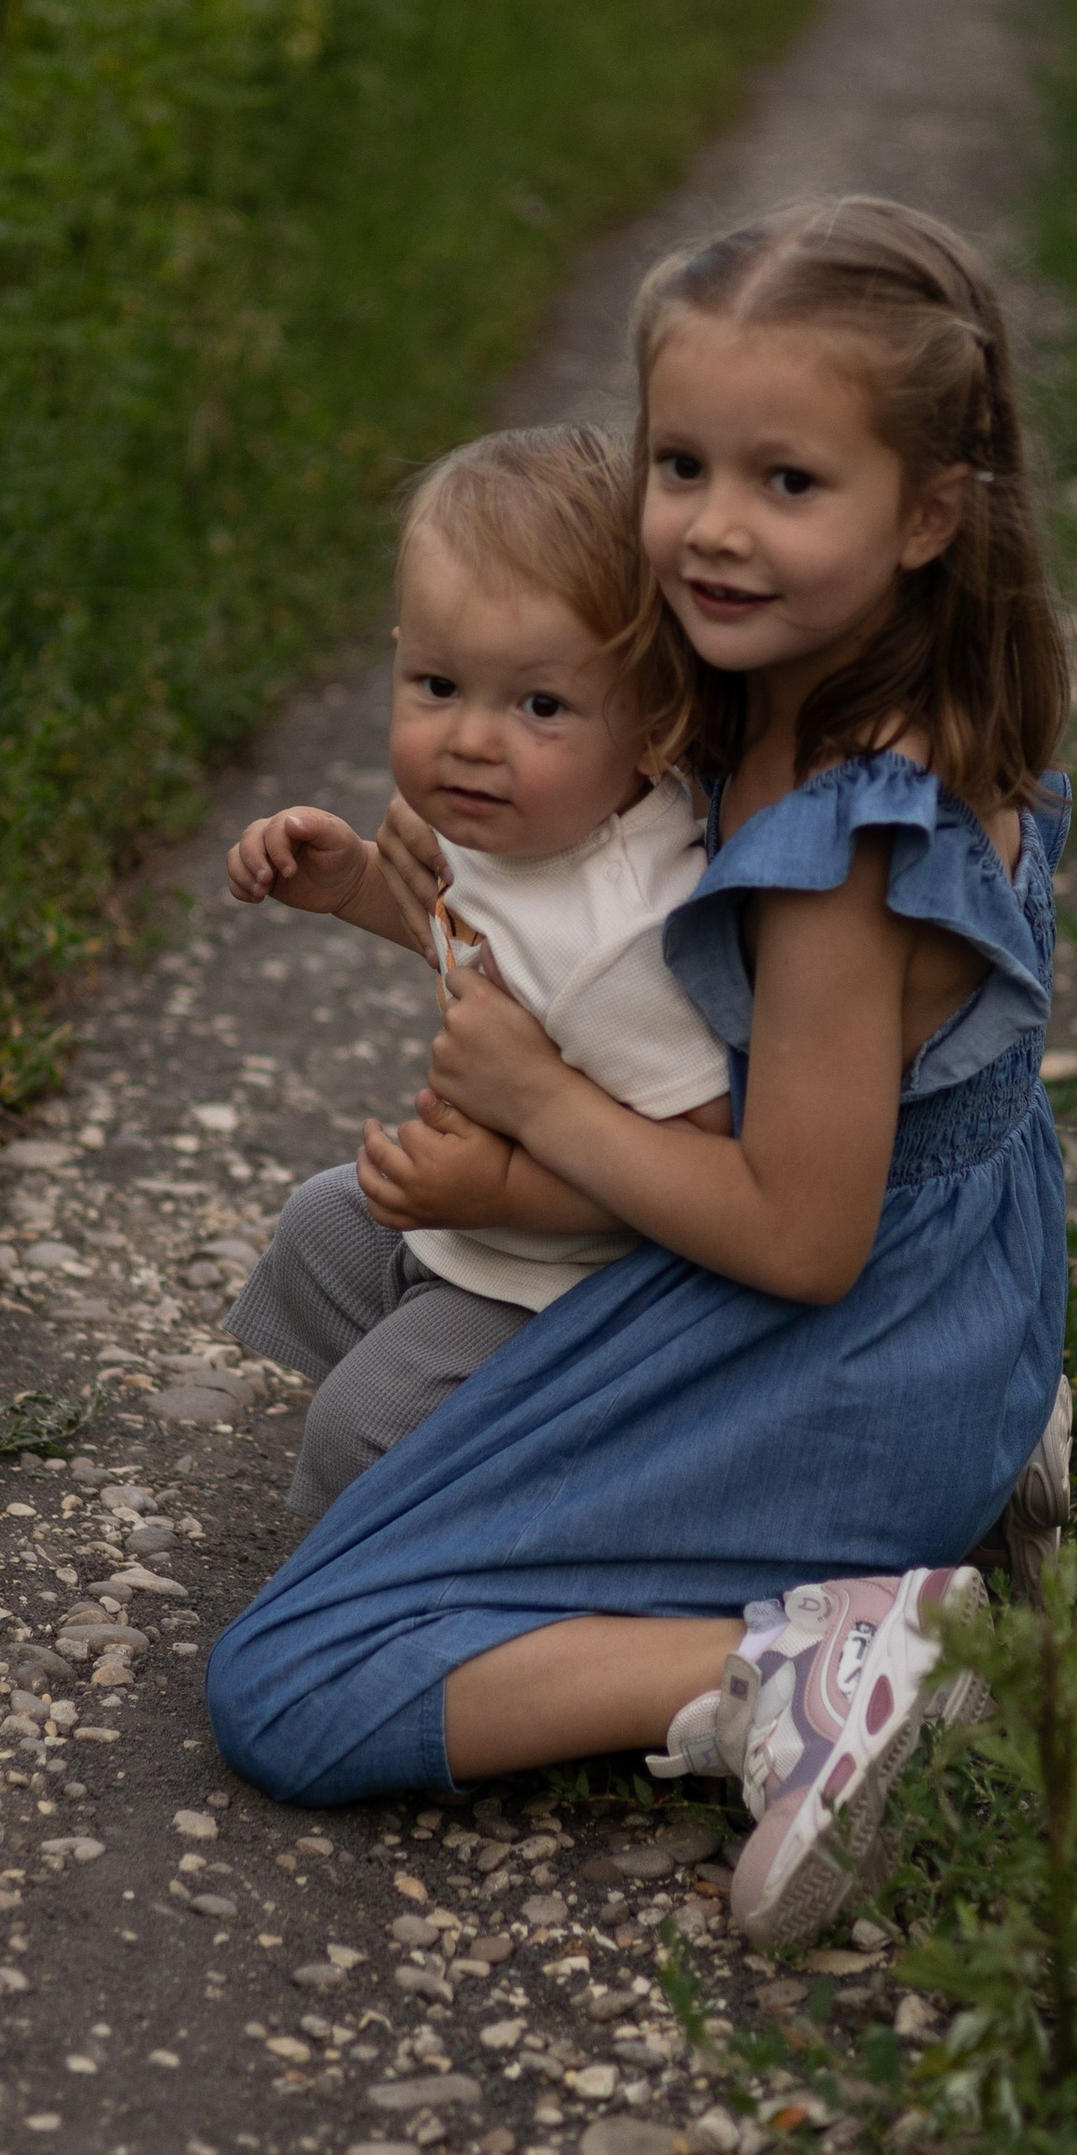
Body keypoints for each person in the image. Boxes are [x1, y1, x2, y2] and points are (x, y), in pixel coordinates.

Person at [209, 197, 1074, 1947]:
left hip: (836, 1318)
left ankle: (803, 1657)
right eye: (682, 465)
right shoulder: (767, 688)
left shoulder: (842, 837)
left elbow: (802, 1235)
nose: (715, 529)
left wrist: (534, 1112)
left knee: (291, 1678)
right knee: (340, 1235)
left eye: (789, 482)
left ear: (929, 511)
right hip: (908, 1286)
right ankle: (944, 1467)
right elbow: (587, 965)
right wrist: (409, 913)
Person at [222, 422, 734, 1526]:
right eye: (439, 683)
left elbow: (702, 1173)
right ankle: (467, 1460)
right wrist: (353, 879)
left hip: (578, 1293)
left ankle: (404, 1567)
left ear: (652, 724)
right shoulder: (517, 818)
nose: (471, 740)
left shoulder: (624, 938)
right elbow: (470, 949)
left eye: (538, 704)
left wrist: (497, 1194)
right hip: (486, 1228)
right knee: (321, 1225)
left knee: (360, 1425)